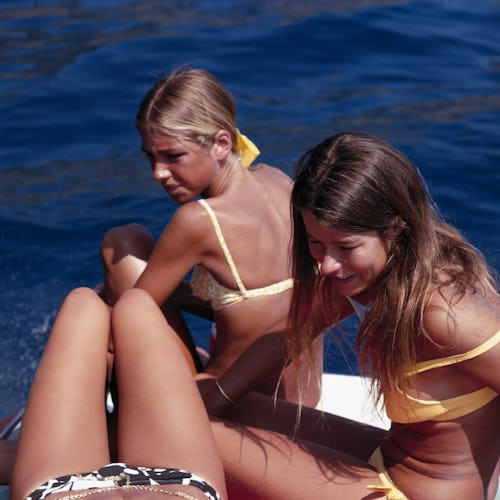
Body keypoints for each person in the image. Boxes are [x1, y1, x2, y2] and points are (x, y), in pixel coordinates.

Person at [207, 132, 500, 499]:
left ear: (395, 227)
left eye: (346, 246)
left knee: (191, 429)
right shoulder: (376, 276)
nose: (328, 264)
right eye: (315, 242)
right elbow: (290, 333)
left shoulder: (443, 314)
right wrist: (219, 396)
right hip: (390, 460)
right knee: (216, 407)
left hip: (410, 493)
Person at [98, 67, 322, 409]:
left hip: (229, 409)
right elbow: (257, 302)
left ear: (221, 143)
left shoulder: (200, 220)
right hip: (303, 402)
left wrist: (104, 307)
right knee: (140, 268)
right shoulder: (278, 182)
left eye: (173, 156)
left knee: (124, 244)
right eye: (151, 157)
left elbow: (129, 320)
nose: (158, 173)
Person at [10, 287, 227, 500]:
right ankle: (111, 373)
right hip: (180, 487)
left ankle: (110, 371)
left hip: (61, 490)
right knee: (135, 305)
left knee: (85, 304)